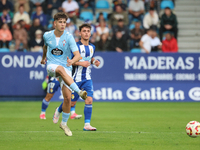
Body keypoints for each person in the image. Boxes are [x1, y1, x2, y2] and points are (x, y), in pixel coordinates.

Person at [41, 12, 87, 136]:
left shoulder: (69, 36)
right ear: (55, 23)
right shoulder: (47, 35)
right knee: (60, 69)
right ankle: (79, 92)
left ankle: (64, 124)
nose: (62, 24)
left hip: (66, 67)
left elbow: (78, 55)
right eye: (60, 22)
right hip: (52, 66)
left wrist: (72, 61)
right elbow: (45, 47)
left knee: (67, 98)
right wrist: (43, 58)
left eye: (64, 22)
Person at [53, 23, 100, 131]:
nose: (86, 33)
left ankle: (87, 125)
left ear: (90, 33)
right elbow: (68, 61)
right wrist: (80, 63)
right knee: (71, 102)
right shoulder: (75, 46)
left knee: (89, 100)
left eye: (88, 31)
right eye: (84, 31)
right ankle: (59, 110)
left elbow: (90, 58)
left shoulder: (92, 47)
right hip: (74, 79)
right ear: (80, 33)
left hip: (87, 79)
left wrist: (94, 61)